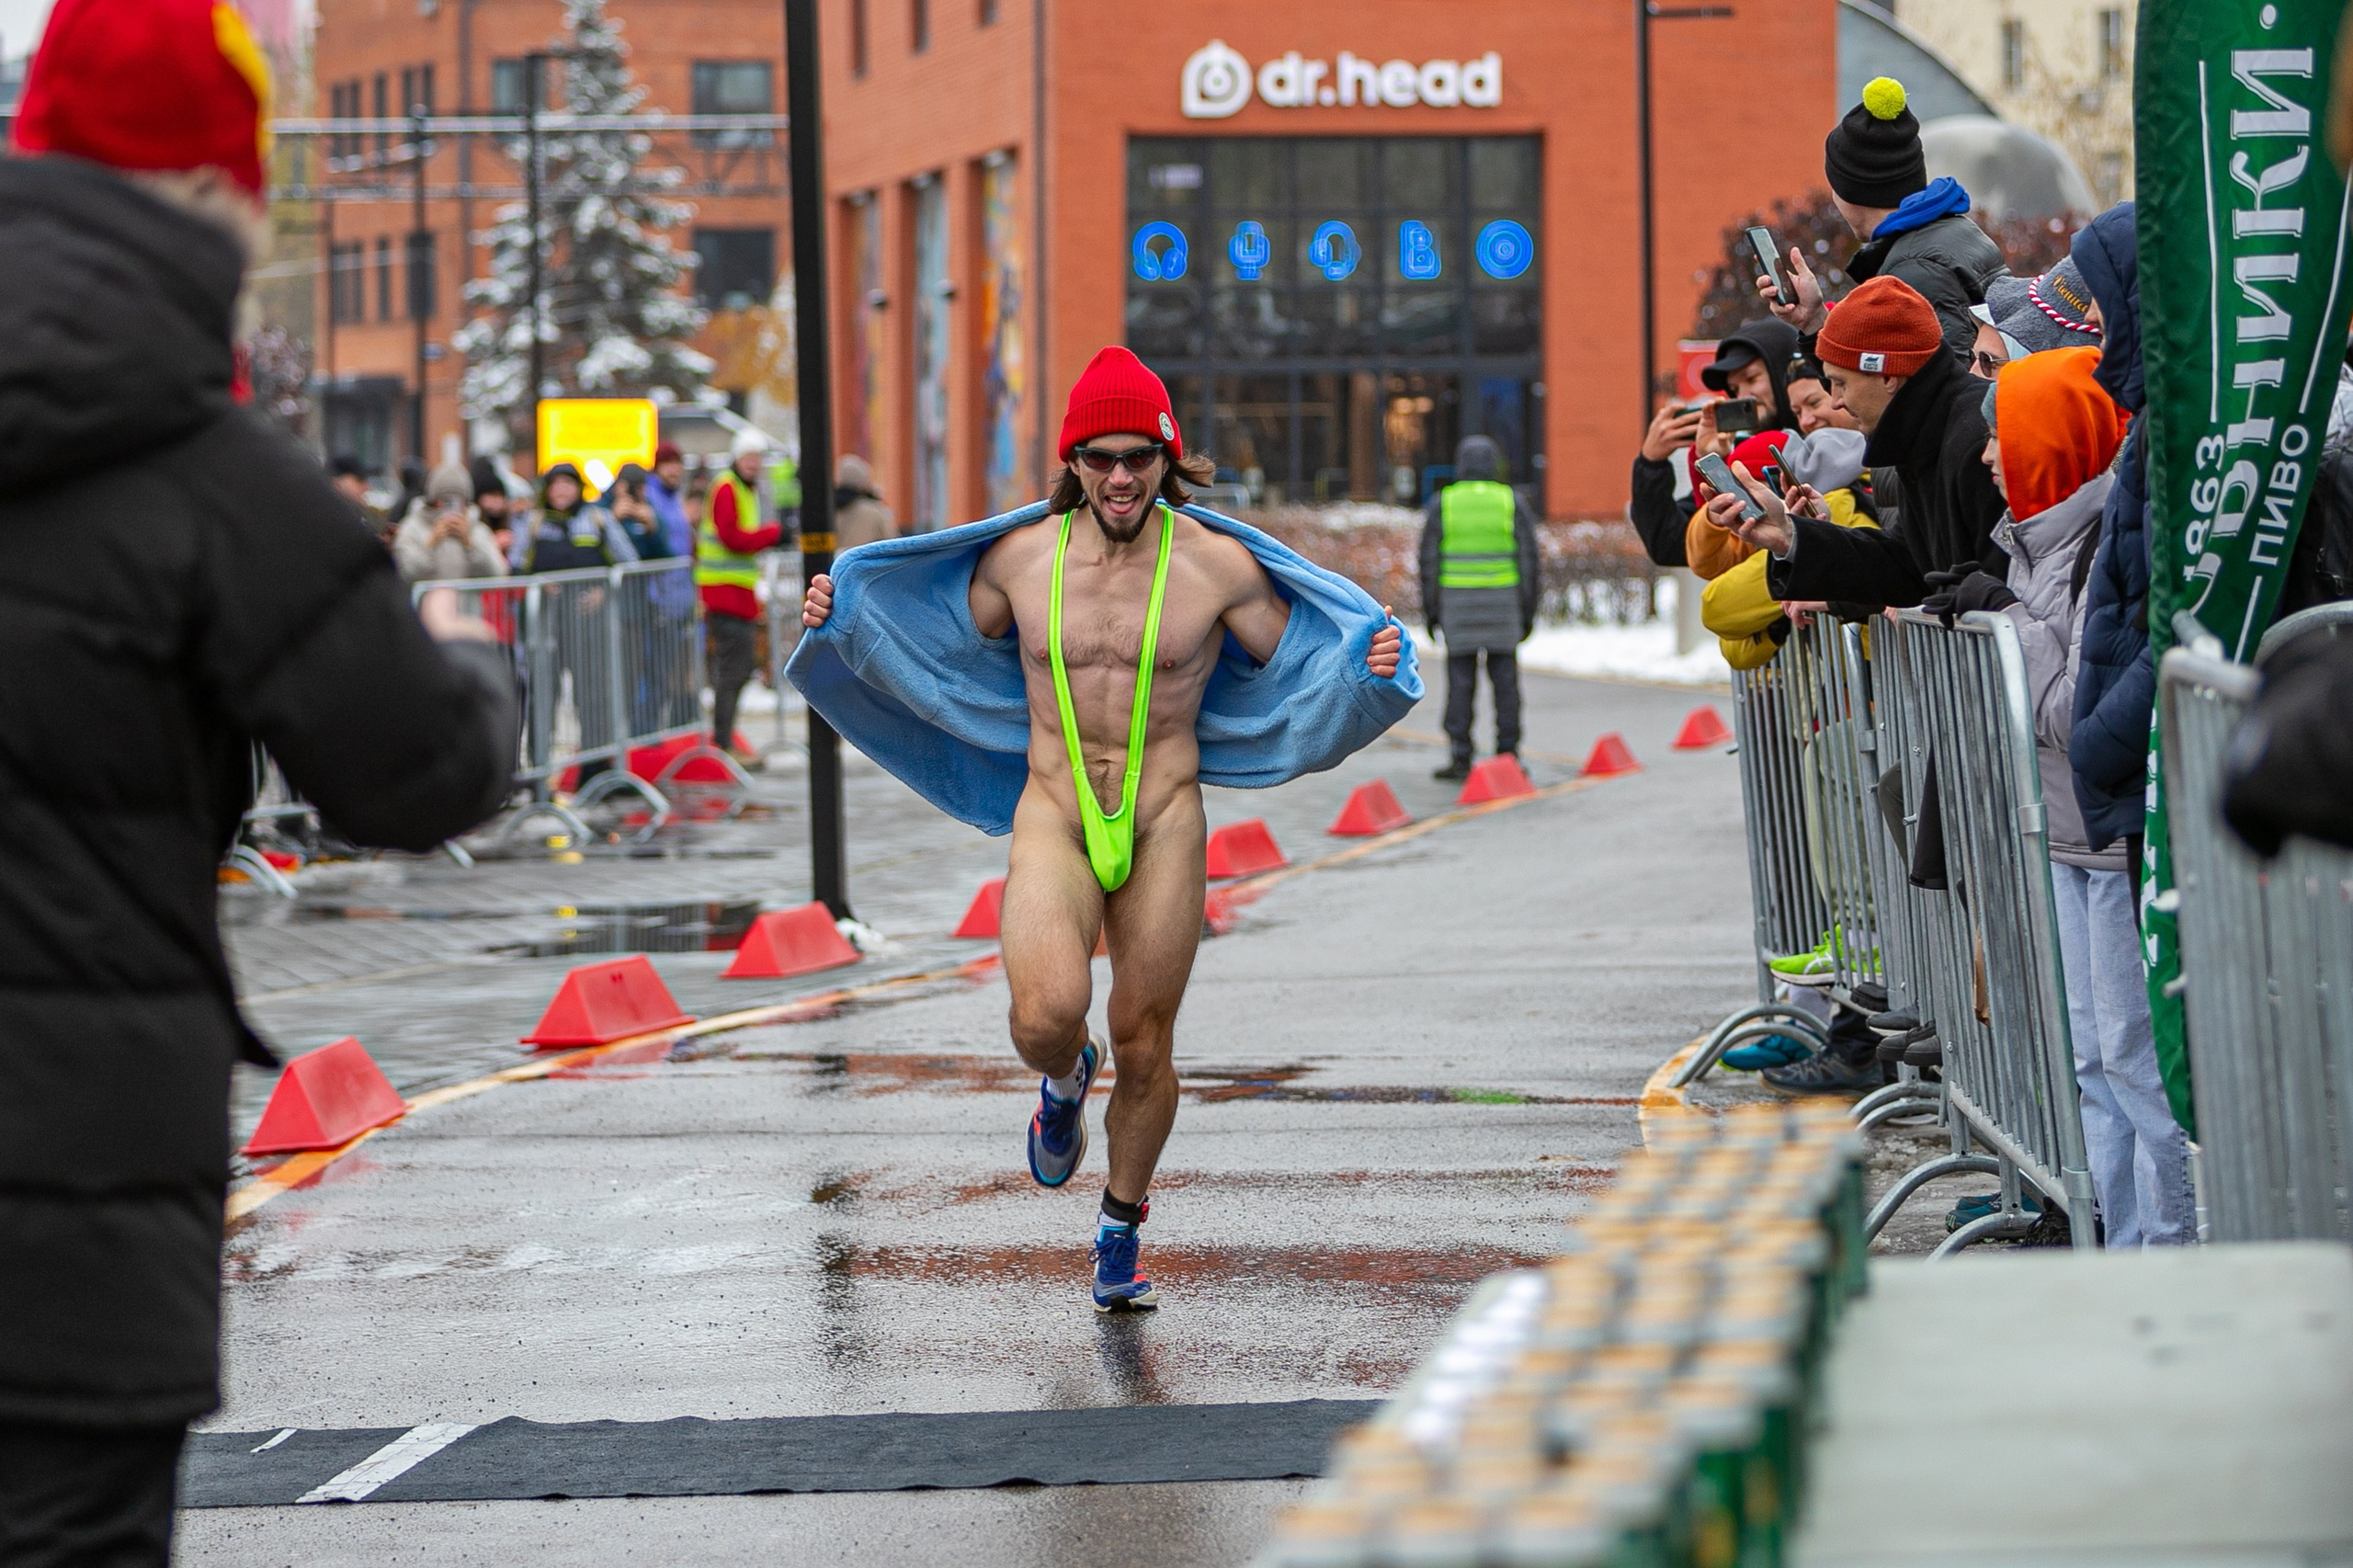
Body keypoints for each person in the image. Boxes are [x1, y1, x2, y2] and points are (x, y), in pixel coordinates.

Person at [0, 1, 517, 1557]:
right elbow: (414, 770)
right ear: (220, 199)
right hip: (72, 1181)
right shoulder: (219, 479)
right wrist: (469, 645)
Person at [790, 347, 1414, 1312]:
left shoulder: (1218, 568)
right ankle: (1063, 1075)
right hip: (1054, 812)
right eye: (1099, 457)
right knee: (1045, 1015)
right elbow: (928, 643)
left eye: (1138, 456)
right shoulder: (1022, 561)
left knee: (1148, 1038)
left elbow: (1302, 669)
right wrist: (842, 615)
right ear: (1072, 461)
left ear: (1168, 458)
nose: (1120, 477)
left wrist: (1365, 668)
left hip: (1164, 815)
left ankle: (1119, 1225)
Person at [1932, 346, 2191, 1245]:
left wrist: (2003, 618)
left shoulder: (2089, 548)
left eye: (2004, 435)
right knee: (2089, 1058)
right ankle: (2116, 1250)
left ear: (2051, 441)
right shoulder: (2033, 538)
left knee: (2131, 1060)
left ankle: (2171, 1256)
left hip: (2110, 843)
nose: (1986, 454)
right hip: (2066, 844)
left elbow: (2060, 709)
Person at [1711, 275, 2006, 610]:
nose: (1835, 400)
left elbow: (1996, 593)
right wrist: (1790, 536)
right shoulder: (1928, 431)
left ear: (1887, 376)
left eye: (1840, 383)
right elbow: (1909, 565)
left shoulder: (1976, 441)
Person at [1760, 77, 2006, 370]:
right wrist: (1813, 320)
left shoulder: (1914, 271)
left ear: (1849, 193)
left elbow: (1922, 403)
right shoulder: (1954, 232)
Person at [1627, 318, 1801, 568]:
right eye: (1734, 388)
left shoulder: (1820, 443)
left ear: (1784, 372)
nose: (1743, 396)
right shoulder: (1744, 457)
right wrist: (1652, 464)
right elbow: (1672, 544)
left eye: (1751, 379)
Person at [1420, 436, 1541, 780]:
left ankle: (1460, 756)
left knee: (1460, 684)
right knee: (1506, 684)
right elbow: (1529, 559)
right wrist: (1528, 611)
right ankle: (1509, 754)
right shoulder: (1511, 501)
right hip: (1503, 607)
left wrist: (1432, 611)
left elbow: (1428, 560)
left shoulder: (1444, 503)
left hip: (1457, 607)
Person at [699, 429, 782, 767]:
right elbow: (731, 537)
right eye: (748, 457)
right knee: (733, 670)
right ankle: (722, 743)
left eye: (758, 459)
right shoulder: (727, 488)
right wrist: (772, 534)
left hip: (736, 592)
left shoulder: (742, 488)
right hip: (724, 592)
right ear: (736, 458)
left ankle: (725, 739)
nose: (753, 464)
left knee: (738, 668)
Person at [392, 460, 506, 585]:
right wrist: (431, 543)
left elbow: (497, 573)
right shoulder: (412, 528)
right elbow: (408, 573)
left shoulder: (477, 530)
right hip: (428, 603)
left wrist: (470, 544)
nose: (450, 508)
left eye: (457, 502)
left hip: (466, 603)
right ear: (432, 501)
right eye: (445, 501)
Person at [833, 453, 899, 551]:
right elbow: (893, 545)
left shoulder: (827, 509)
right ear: (863, 482)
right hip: (866, 564)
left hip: (834, 564)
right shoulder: (875, 511)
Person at [645, 441, 696, 562]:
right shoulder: (648, 495)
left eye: (677, 463)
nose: (674, 469)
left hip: (680, 575)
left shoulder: (677, 497)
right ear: (657, 467)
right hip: (659, 577)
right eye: (668, 463)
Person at [330, 454, 390, 544]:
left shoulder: (354, 519)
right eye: (360, 480)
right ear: (336, 484)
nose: (367, 487)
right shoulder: (326, 523)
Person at [471, 455, 517, 558]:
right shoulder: (472, 525)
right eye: (492, 496)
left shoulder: (513, 522)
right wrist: (492, 545)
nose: (497, 501)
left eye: (500, 496)